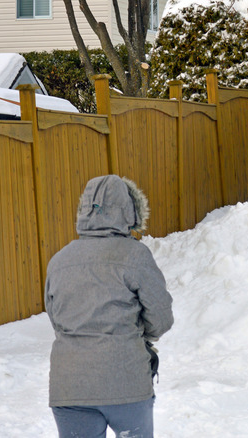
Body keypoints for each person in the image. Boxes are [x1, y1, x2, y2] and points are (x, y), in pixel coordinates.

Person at [45, 175, 174, 438]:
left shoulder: (59, 261)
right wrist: (141, 334)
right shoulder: (134, 255)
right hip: (125, 382)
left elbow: (55, 317)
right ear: (130, 211)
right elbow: (161, 317)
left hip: (70, 387)